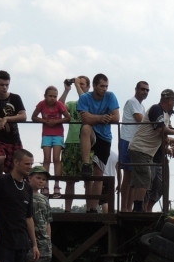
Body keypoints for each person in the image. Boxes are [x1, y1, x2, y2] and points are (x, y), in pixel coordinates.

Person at [128, 89, 174, 213]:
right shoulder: (156, 109)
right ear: (170, 101)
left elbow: (161, 134)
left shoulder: (163, 113)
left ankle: (138, 208)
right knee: (145, 179)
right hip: (140, 148)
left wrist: (170, 140)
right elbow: (160, 129)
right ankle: (138, 209)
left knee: (144, 180)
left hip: (145, 151)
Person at [76, 73, 120, 213]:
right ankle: (86, 164)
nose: (105, 89)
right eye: (102, 86)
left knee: (99, 174)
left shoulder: (111, 96)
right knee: (86, 128)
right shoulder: (85, 97)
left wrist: (93, 117)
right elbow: (85, 120)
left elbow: (116, 117)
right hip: (92, 134)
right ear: (94, 86)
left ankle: (93, 208)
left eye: (106, 86)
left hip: (105, 138)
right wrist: (101, 118)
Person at [32, 86, 68, 197]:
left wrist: (56, 121)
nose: (53, 98)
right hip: (46, 134)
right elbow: (34, 117)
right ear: (45, 96)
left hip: (58, 134)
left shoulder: (59, 105)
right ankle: (45, 185)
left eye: (55, 96)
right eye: (50, 96)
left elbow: (68, 117)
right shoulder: (41, 104)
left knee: (56, 158)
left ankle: (57, 185)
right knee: (46, 159)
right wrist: (45, 121)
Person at [60, 75, 90, 212]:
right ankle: (67, 210)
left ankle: (89, 209)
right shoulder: (72, 104)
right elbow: (58, 107)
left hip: (87, 144)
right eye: (79, 84)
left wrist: (77, 85)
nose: (80, 85)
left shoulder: (91, 102)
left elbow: (85, 100)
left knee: (88, 179)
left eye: (83, 84)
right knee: (69, 180)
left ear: (88, 87)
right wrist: (66, 90)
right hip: (71, 143)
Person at [119, 81, 149, 211]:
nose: (145, 92)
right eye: (142, 89)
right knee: (128, 176)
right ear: (136, 89)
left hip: (134, 142)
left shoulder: (141, 106)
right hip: (127, 140)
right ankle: (124, 208)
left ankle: (129, 207)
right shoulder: (133, 102)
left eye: (147, 90)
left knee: (132, 178)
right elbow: (140, 120)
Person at [28, 165, 52, 262]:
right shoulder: (23, 195)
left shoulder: (44, 199)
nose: (41, 181)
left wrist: (48, 241)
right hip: (28, 241)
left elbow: (48, 221)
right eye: (38, 178)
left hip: (44, 242)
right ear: (30, 177)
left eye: (44, 179)